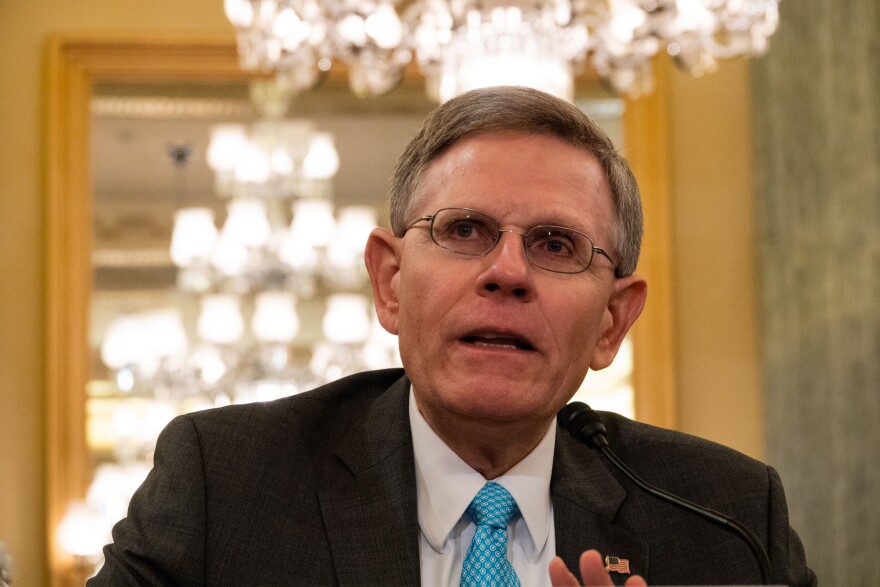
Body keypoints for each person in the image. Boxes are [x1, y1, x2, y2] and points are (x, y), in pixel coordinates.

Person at [89, 86, 815, 586]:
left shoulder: (729, 521)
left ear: (612, 320)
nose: (507, 272)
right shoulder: (226, 482)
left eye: (556, 243)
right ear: (390, 283)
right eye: (464, 230)